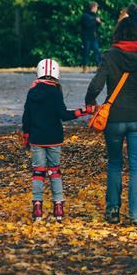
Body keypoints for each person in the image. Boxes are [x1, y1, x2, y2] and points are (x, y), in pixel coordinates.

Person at [85, 18, 137, 226]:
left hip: (114, 119)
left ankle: (112, 211)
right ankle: (136, 214)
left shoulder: (110, 56)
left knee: (114, 164)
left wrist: (90, 102)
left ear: (118, 34)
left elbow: (95, 85)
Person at [21, 59, 92, 222]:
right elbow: (63, 115)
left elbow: (26, 117)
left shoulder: (32, 91)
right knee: (54, 171)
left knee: (38, 172)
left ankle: (37, 207)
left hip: (37, 139)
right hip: (54, 139)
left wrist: (26, 135)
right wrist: (83, 111)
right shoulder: (55, 92)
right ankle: (58, 207)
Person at [79, 2, 103, 72]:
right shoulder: (85, 16)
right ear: (93, 7)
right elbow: (87, 25)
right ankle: (85, 68)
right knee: (86, 52)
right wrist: (95, 20)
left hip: (94, 37)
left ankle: (99, 67)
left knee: (97, 52)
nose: (97, 9)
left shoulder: (95, 15)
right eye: (96, 8)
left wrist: (98, 22)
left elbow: (96, 26)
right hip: (86, 37)